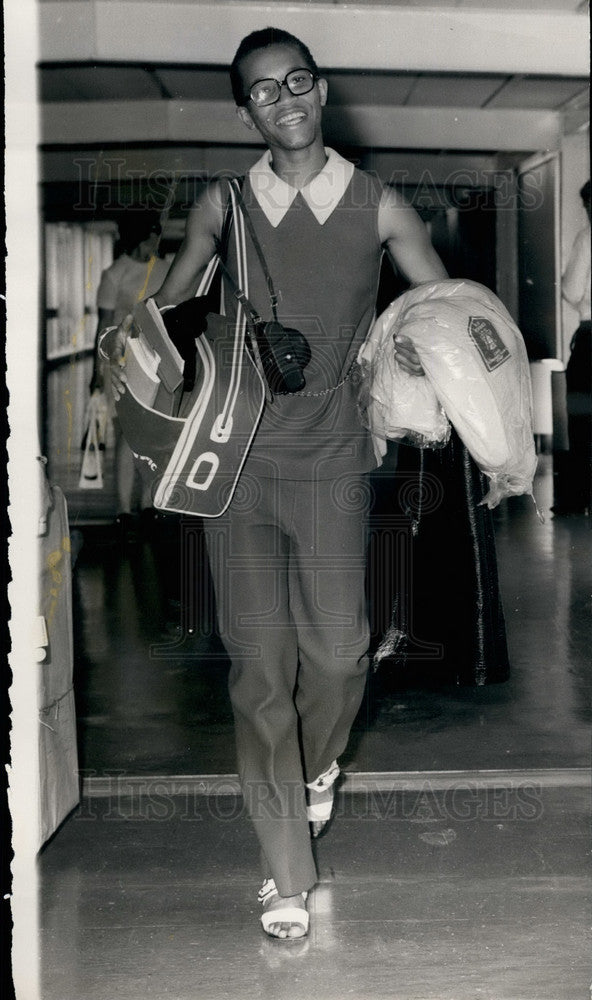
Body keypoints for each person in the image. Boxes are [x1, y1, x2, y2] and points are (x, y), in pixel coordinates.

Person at [107, 27, 447, 939]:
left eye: (297, 81)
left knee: (340, 653)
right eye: (263, 90)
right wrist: (150, 359)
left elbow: (441, 314)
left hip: (335, 459)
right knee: (260, 672)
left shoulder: (380, 207)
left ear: (321, 87)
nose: (284, 99)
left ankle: (318, 767)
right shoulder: (225, 202)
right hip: (235, 463)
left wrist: (438, 379)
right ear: (247, 109)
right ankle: (284, 873)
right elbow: (171, 311)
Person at [90, 211, 171, 536]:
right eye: (153, 234)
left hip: (159, 361)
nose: (157, 241)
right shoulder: (115, 274)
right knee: (126, 433)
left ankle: (150, 504)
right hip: (122, 361)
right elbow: (103, 324)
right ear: (141, 235)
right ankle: (124, 508)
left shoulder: (167, 270)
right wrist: (97, 371)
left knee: (154, 433)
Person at [556, 179, 591, 515]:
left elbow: (571, 290)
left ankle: (578, 498)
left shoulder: (587, 237)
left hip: (590, 338)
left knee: (581, 417)